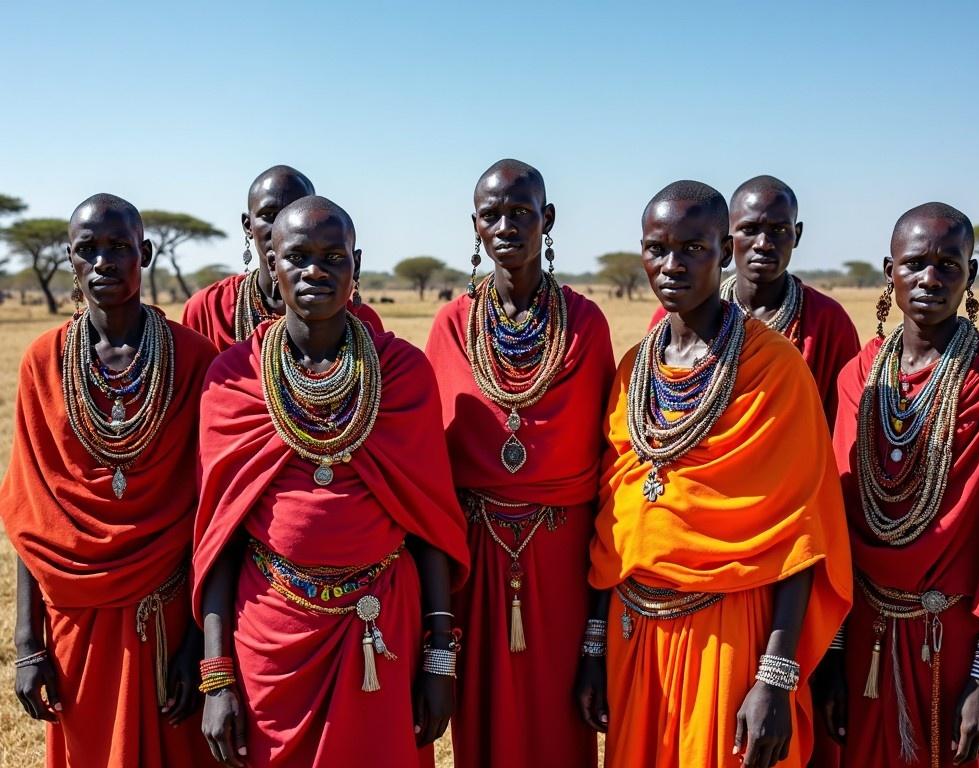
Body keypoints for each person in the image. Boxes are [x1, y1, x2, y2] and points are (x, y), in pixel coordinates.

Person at [193, 195, 470, 767]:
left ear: (356, 265)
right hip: (270, 636)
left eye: (332, 256)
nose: (315, 270)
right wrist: (217, 676)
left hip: (380, 628)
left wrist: (439, 656)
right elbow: (219, 538)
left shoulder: (401, 374)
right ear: (271, 265)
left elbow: (430, 524)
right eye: (297, 256)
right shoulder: (234, 380)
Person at [587, 180, 852, 768]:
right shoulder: (634, 369)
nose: (672, 264)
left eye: (693, 248)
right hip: (636, 636)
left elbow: (803, 530)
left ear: (723, 249)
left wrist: (777, 675)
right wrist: (593, 645)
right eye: (658, 249)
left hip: (731, 630)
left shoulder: (774, 366)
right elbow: (613, 515)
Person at [0, 194, 217, 766]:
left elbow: (210, 511)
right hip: (76, 621)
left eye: (118, 247)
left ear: (143, 252)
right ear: (69, 258)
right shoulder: (44, 361)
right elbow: (31, 512)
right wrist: (27, 645)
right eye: (87, 249)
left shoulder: (194, 358)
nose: (103, 262)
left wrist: (200, 641)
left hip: (166, 615)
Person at [424, 159, 615, 768]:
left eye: (521, 212)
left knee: (559, 720)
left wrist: (597, 624)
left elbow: (607, 465)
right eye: (491, 215)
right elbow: (430, 463)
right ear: (475, 227)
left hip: (560, 554)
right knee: (480, 717)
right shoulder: (452, 324)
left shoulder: (585, 324)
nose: (506, 225)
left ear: (547, 219)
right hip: (474, 558)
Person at [823, 203, 979, 768]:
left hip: (956, 642)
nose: (930, 279)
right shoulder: (857, 377)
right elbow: (836, 521)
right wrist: (834, 658)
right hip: (863, 636)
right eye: (915, 264)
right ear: (890, 270)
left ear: (972, 273)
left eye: (947, 264)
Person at [649, 176, 859, 429]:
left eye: (779, 230)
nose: (763, 244)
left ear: (797, 234)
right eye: (749, 230)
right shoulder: (673, 317)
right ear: (728, 241)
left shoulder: (827, 320)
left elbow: (843, 421)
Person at [181, 164, 382, 351]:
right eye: (269, 215)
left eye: (296, 210)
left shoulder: (358, 319)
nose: (283, 225)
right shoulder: (209, 308)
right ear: (248, 225)